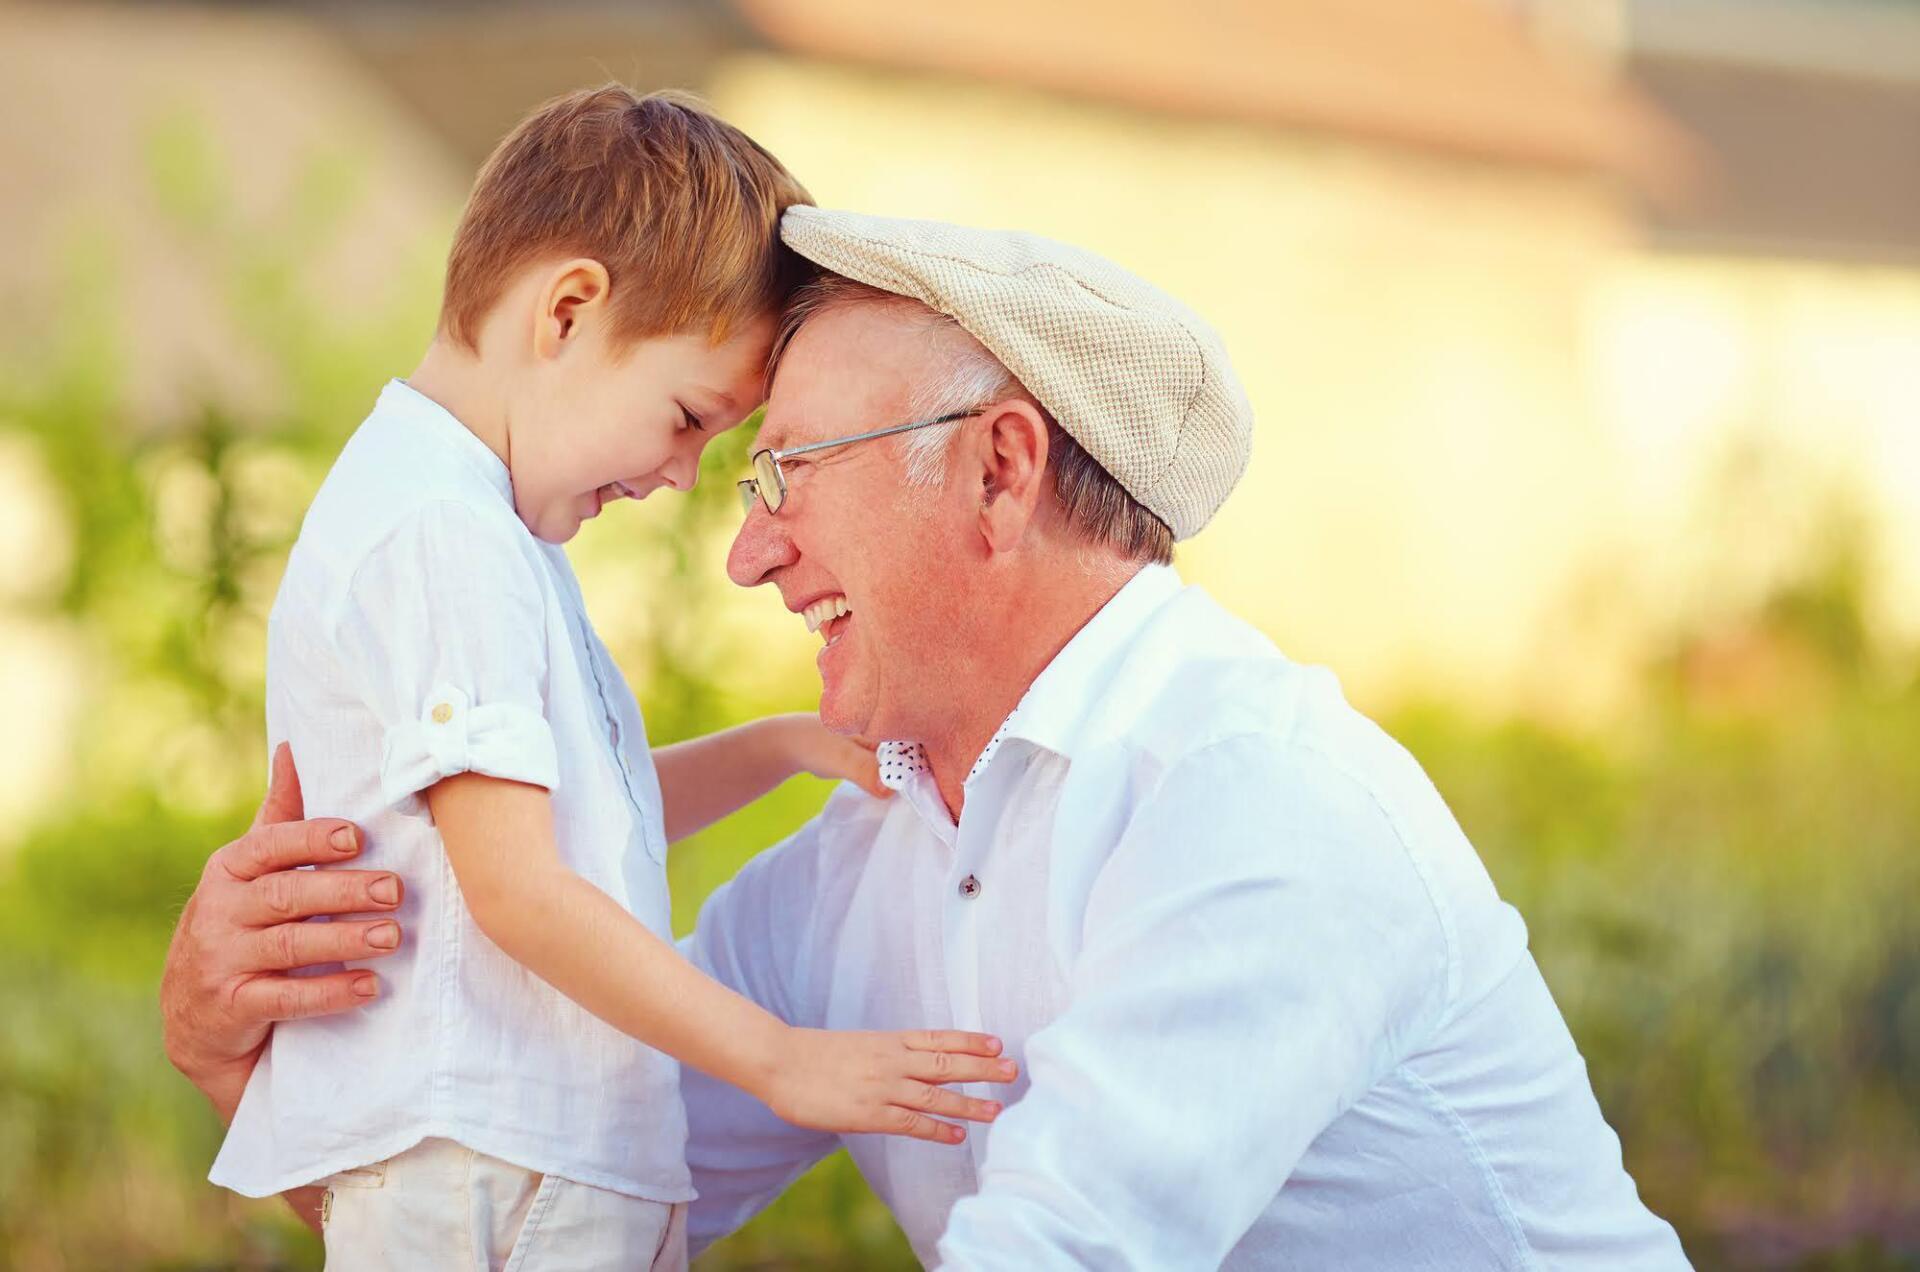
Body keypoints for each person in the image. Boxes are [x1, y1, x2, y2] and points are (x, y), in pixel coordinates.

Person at [167, 207, 1691, 1268]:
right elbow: (553, 1193)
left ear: (999, 470)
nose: (745, 556)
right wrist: (239, 1049)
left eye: (785, 478)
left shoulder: (1250, 803)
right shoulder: (876, 855)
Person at [202, 95, 1012, 1270]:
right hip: (500, 1170)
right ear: (569, 312)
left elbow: (576, 818)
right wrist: (785, 1060)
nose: (683, 478)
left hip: (519, 1165)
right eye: (687, 419)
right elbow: (520, 888)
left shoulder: (478, 525)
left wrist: (784, 745)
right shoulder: (444, 537)